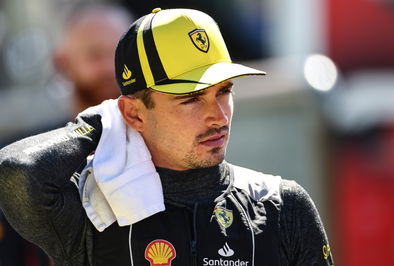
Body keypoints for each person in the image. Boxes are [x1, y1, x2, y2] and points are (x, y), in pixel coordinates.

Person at [0, 8, 334, 266]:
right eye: (190, 99)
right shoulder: (93, 210)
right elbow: (16, 173)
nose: (218, 117)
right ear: (133, 113)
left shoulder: (283, 204)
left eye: (224, 92)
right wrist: (99, 124)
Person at [0, 3, 132, 266]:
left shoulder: (167, 150)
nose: (110, 68)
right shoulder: (27, 162)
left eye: (120, 56)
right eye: (95, 55)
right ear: (62, 63)